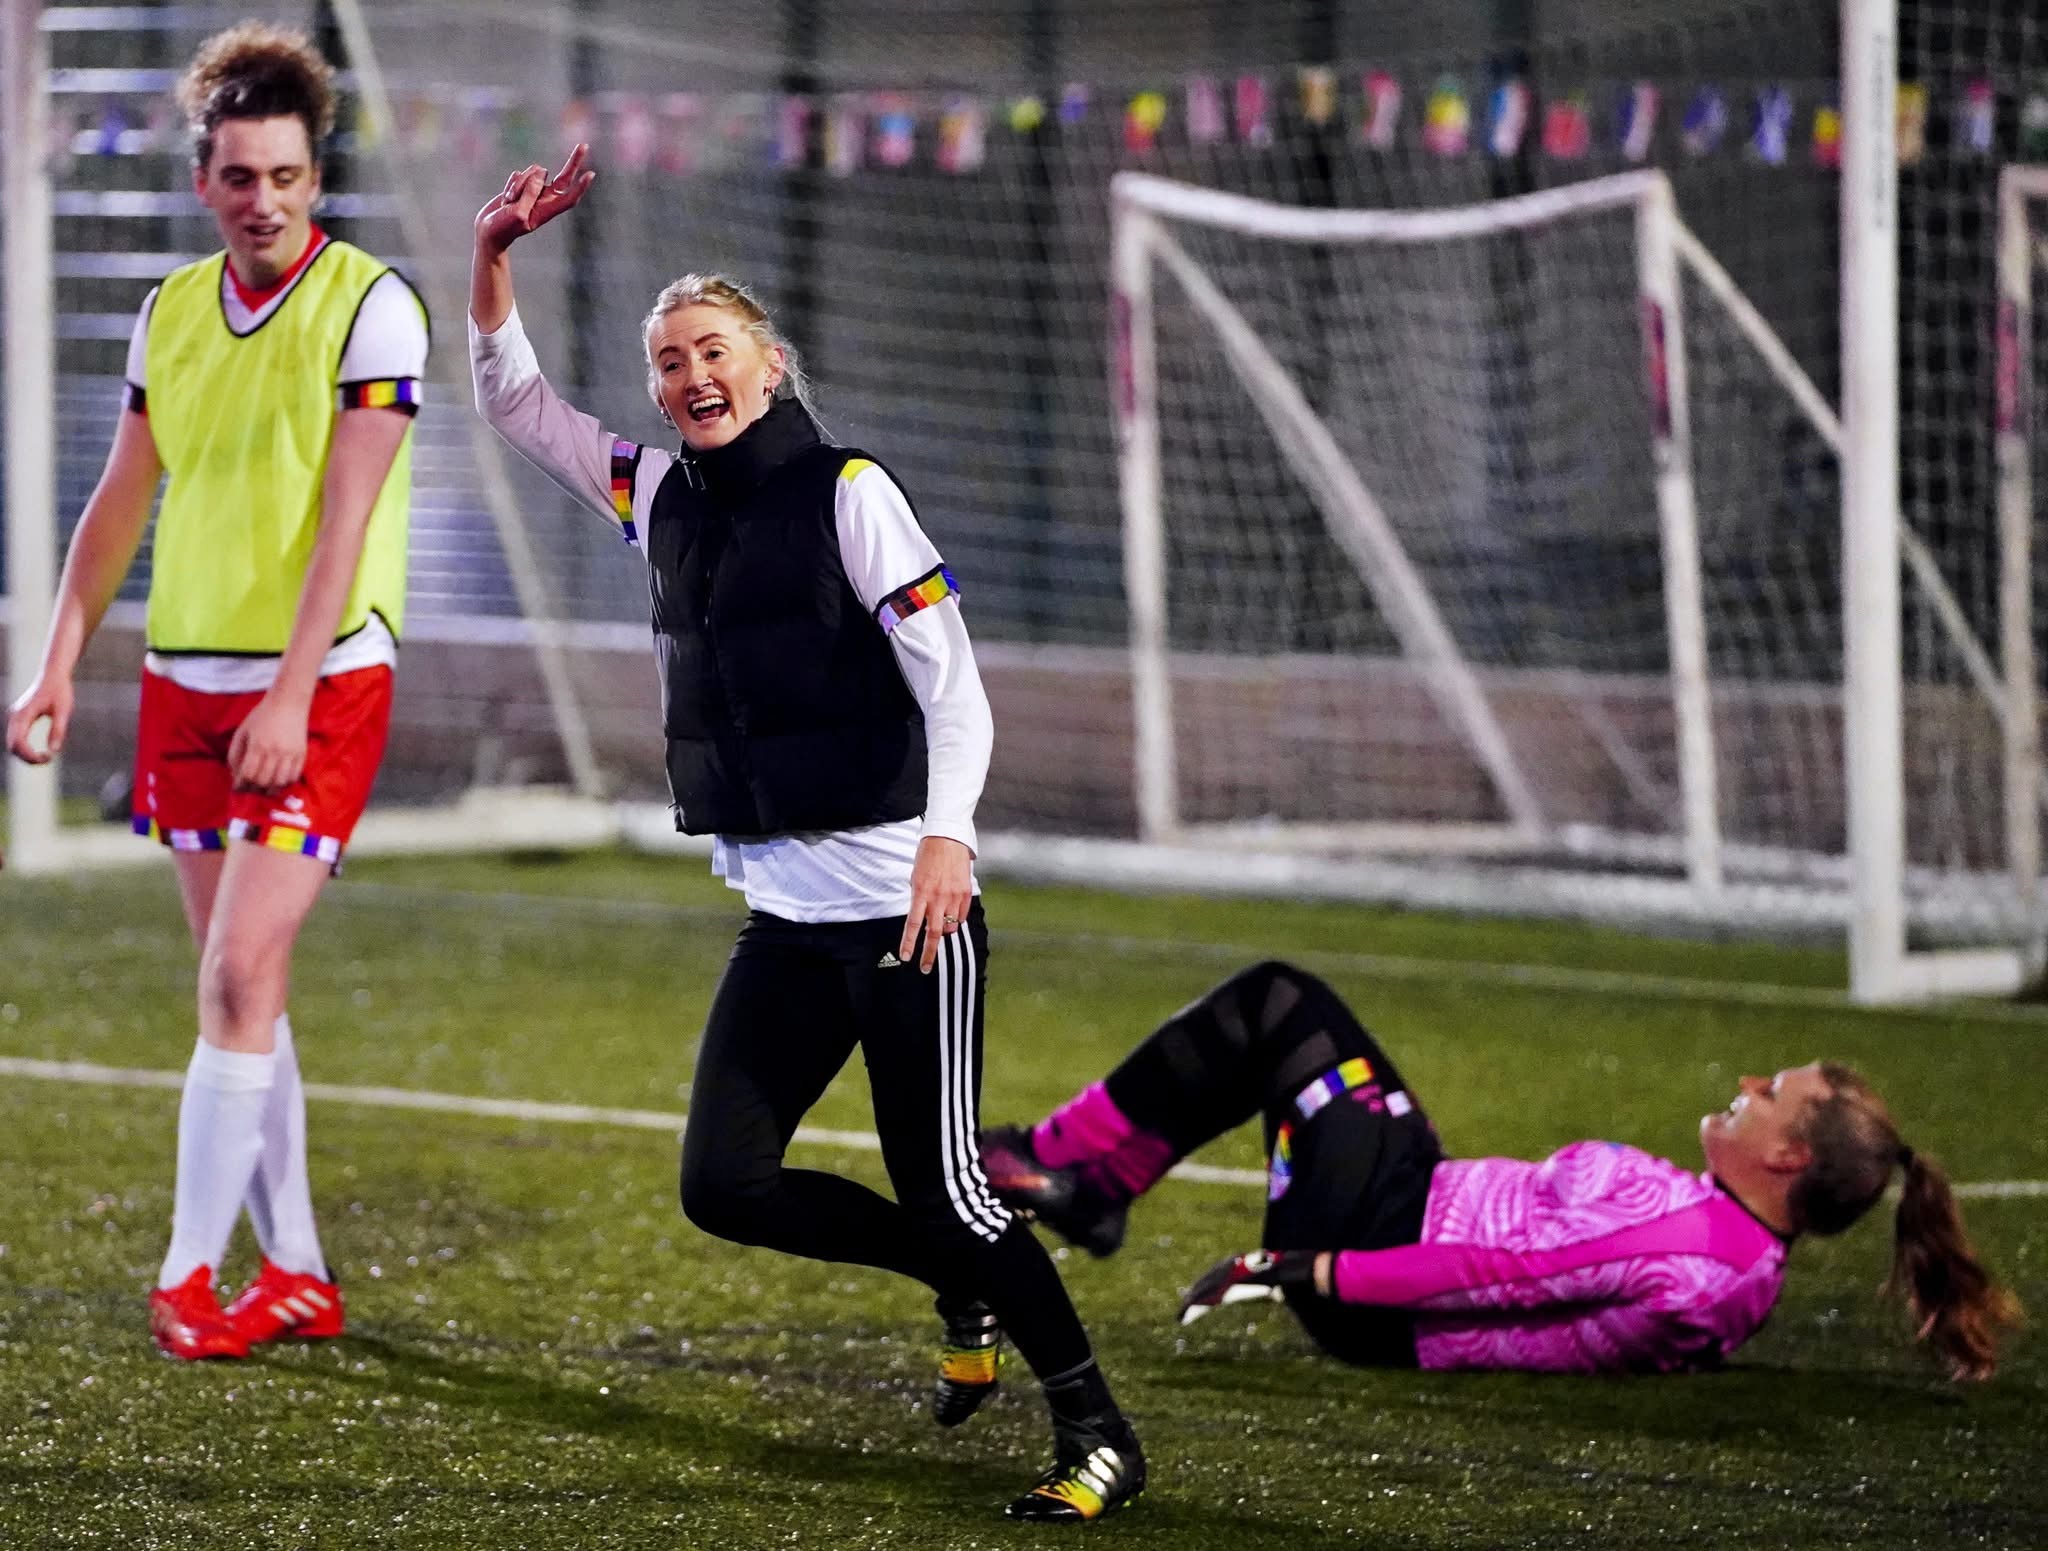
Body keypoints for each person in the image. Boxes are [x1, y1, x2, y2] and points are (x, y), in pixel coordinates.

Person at [467, 147, 1143, 1523]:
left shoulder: (850, 490)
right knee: (724, 1184)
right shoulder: (651, 492)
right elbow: (517, 402)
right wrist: (491, 258)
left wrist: (950, 839)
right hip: (785, 921)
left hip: (905, 914)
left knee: (950, 1189)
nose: (687, 376)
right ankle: (954, 1280)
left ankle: (1097, 1428)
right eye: (667, 362)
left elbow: (954, 685)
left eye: (711, 350)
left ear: (769, 366)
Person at [5, 25, 427, 1360]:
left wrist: (291, 697)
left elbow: (346, 525)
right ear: (203, 181)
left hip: (322, 678)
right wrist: (55, 662)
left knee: (240, 969)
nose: (264, 200)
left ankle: (187, 1274)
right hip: (184, 680)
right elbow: (119, 500)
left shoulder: (372, 306)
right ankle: (296, 1269)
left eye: (286, 176)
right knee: (242, 987)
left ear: (318, 178)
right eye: (239, 176)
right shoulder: (171, 311)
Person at [981, 960, 2022, 1381]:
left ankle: (1069, 1163)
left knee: (1278, 1006)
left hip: (1375, 1251)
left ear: (1787, 1156)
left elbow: (1503, 1273)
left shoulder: (1694, 1246)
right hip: (1402, 1203)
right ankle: (1093, 1183)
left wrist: (1295, 1269)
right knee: (1283, 1033)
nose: (1749, 1083)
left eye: (1773, 1092)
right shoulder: (1738, 1259)